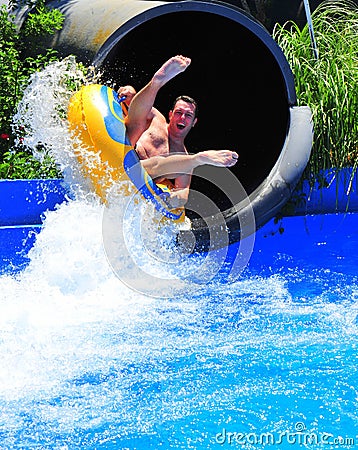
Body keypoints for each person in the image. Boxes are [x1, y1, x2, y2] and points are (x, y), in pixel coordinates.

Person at [118, 55, 238, 209]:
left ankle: (201, 158)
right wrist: (130, 90)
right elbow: (134, 104)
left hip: (138, 174)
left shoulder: (183, 159)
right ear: (170, 114)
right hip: (121, 149)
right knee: (139, 122)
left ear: (194, 123)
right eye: (178, 112)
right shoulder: (157, 118)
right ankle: (157, 82)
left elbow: (183, 192)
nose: (182, 118)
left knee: (165, 164)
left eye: (188, 115)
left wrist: (174, 199)